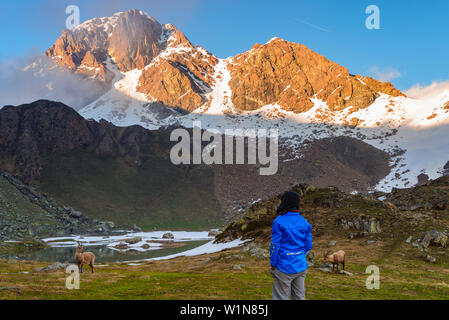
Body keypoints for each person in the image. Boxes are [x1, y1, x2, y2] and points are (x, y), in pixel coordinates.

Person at [270, 191, 313, 300]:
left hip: (284, 266)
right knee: (299, 297)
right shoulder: (304, 222)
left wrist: (273, 264)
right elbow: (309, 245)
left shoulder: (278, 222)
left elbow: (275, 246)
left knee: (281, 297)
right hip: (301, 266)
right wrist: (299, 255)